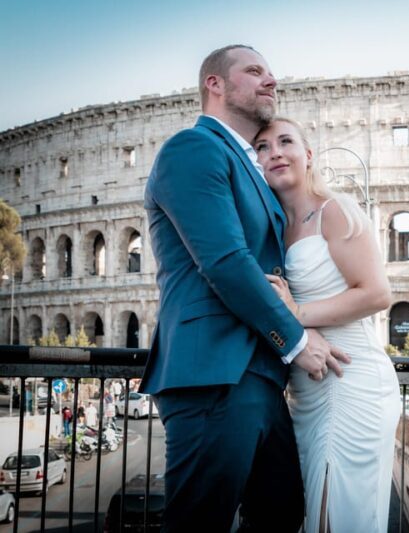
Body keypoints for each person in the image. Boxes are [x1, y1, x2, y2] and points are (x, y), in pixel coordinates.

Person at [139, 45, 350, 532]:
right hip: (214, 373)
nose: (271, 80)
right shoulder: (193, 149)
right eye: (254, 72)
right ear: (215, 84)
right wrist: (296, 339)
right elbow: (225, 260)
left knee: (279, 513)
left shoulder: (244, 164)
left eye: (272, 73)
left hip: (255, 375)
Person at [256, 117, 401, 532]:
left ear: (308, 155)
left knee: (336, 515)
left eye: (286, 142)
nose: (276, 152)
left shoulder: (333, 210)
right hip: (307, 391)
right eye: (264, 147)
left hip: (351, 379)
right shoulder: (274, 229)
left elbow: (375, 293)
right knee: (318, 513)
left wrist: (297, 317)